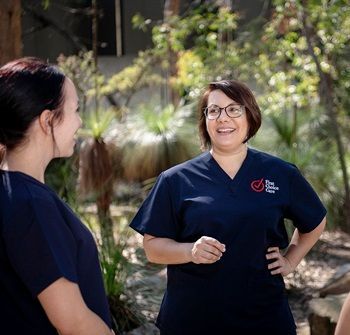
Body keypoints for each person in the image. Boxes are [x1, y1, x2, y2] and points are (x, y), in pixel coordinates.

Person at [129, 79, 327, 335]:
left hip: (264, 318)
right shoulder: (175, 180)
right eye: (214, 110)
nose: (223, 118)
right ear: (205, 120)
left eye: (234, 109)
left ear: (250, 116)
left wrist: (291, 259)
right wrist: (190, 251)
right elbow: (152, 248)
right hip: (193, 320)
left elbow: (315, 222)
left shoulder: (280, 174)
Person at [0, 57, 114, 335]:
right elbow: (73, 322)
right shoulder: (32, 204)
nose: (79, 122)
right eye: (75, 110)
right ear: (47, 120)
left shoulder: (12, 193)